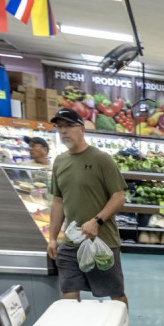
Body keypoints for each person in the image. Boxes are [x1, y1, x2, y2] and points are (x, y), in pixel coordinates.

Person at [46, 108, 127, 306]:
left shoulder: (101, 159)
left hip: (102, 242)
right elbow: (58, 201)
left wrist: (97, 220)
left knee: (115, 294)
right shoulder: (59, 162)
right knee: (69, 294)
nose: (64, 131)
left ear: (82, 129)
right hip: (71, 242)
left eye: (68, 126)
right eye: (60, 127)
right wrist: (53, 238)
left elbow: (119, 197)